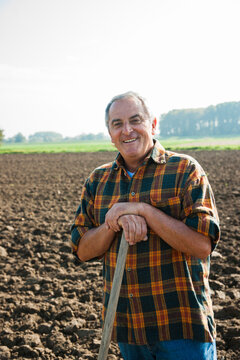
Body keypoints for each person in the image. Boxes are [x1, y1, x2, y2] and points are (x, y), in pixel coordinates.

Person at [71, 91, 220, 360]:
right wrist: (112, 223)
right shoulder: (99, 180)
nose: (127, 130)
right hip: (129, 330)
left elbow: (201, 245)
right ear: (110, 132)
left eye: (135, 120)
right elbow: (82, 250)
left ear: (152, 124)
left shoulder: (185, 170)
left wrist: (145, 212)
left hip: (182, 330)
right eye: (117, 124)